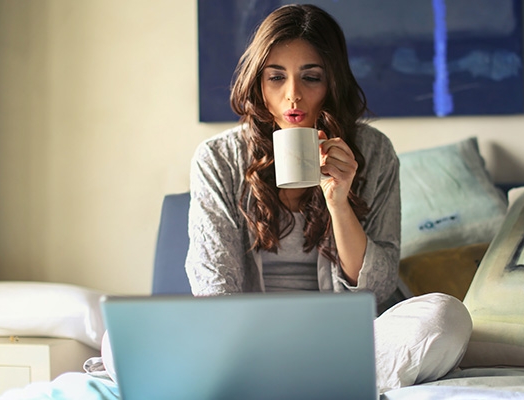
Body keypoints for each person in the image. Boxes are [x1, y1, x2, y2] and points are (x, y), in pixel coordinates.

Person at [184, 4, 472, 393]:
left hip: (347, 340)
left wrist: (339, 202)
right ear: (258, 83)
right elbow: (213, 287)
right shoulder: (218, 159)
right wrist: (241, 343)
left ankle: (284, 382)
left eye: (311, 77)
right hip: (250, 340)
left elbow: (378, 288)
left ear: (332, 82)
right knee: (117, 344)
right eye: (276, 77)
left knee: (445, 317)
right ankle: (316, 381)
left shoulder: (375, 151)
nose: (293, 96)